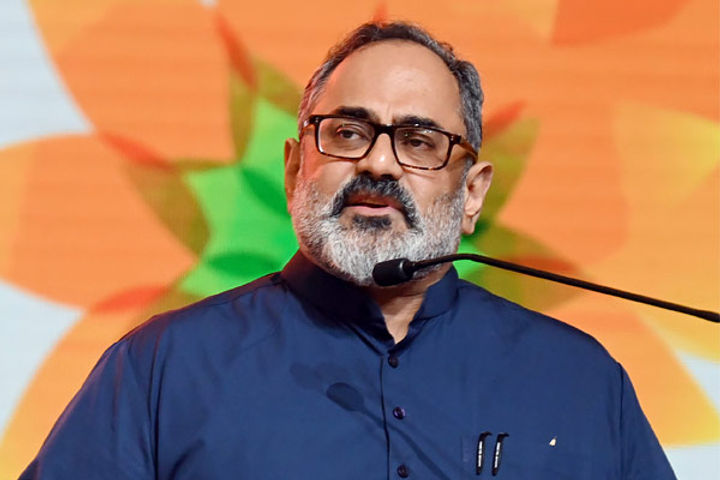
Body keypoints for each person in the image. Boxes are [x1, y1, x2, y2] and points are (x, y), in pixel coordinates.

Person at [20, 21, 676, 479]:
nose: (379, 163)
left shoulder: (581, 383)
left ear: (473, 193)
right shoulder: (162, 369)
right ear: (293, 169)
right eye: (348, 132)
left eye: (418, 141)